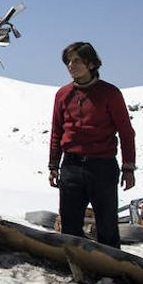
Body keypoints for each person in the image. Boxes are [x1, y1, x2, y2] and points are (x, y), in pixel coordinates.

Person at [48, 41, 136, 248]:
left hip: (102, 166)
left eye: (76, 60)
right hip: (71, 166)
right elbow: (57, 132)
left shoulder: (110, 93)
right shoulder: (63, 94)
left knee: (106, 226)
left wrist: (128, 167)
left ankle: (111, 274)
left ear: (90, 63)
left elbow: (126, 133)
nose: (71, 65)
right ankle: (75, 272)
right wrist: (53, 166)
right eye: (68, 61)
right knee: (69, 226)